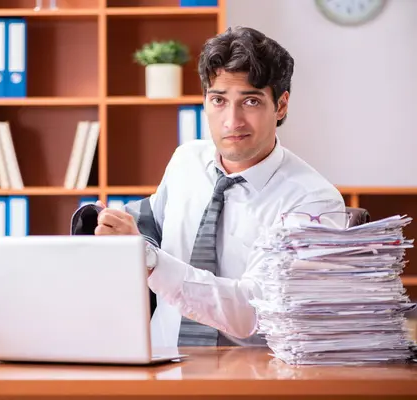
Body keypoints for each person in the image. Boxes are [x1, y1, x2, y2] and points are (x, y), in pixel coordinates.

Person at [78, 26, 346, 347]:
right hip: (161, 364)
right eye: (218, 100)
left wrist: (148, 259)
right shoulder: (186, 160)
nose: (232, 121)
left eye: (250, 101)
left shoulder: (313, 200)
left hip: (252, 378)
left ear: (281, 105)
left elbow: (254, 310)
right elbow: (152, 224)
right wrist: (107, 227)